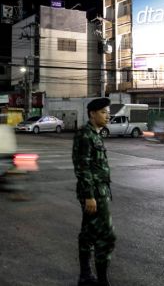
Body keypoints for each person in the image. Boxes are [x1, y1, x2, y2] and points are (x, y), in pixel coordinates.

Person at [72, 97, 116, 286]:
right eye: (104, 112)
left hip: (99, 191)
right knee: (106, 236)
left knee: (88, 233)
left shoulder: (96, 134)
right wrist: (90, 195)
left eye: (108, 112)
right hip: (94, 194)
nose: (108, 115)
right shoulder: (85, 135)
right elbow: (82, 167)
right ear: (92, 113)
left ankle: (85, 276)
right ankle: (102, 281)